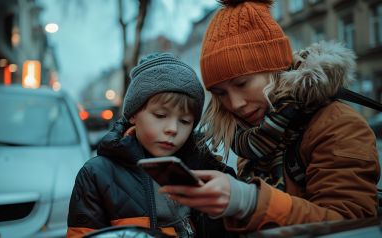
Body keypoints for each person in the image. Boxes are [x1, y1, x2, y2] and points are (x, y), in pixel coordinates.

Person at [158, 0, 380, 233]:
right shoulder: (253, 137)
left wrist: (249, 201)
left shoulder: (338, 125)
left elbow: (352, 225)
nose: (234, 104)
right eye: (221, 93)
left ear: (274, 68)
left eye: (242, 84)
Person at [66, 53, 237, 238]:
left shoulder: (209, 171)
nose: (172, 129)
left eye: (185, 121)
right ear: (133, 115)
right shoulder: (97, 175)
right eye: (161, 116)